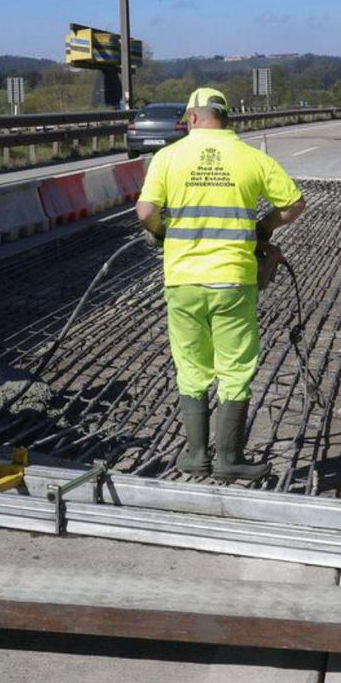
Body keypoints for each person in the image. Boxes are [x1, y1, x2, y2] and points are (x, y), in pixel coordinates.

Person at [136, 87, 305, 482]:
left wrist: (164, 235)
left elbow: (145, 211)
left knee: (191, 367)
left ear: (193, 117)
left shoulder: (168, 157)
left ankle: (196, 454)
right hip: (232, 279)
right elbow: (294, 204)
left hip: (183, 281)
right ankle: (229, 458)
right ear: (224, 117)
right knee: (235, 367)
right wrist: (263, 228)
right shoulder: (251, 158)